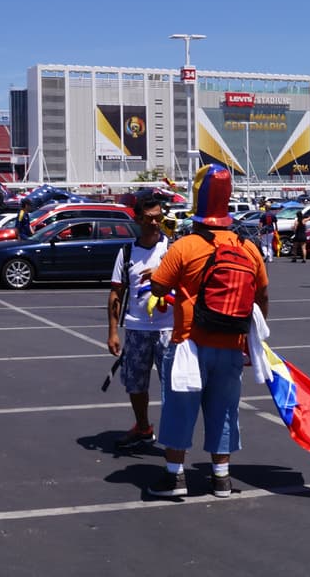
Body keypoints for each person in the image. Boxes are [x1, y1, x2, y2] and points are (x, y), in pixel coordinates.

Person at [146, 165, 269, 499]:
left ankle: (175, 478)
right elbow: (262, 297)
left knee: (179, 409)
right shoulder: (248, 247)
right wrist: (250, 342)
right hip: (232, 343)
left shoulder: (185, 247)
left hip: (189, 342)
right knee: (225, 411)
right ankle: (221, 479)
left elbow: (159, 285)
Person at [106, 193, 172, 450]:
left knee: (172, 387)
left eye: (159, 218)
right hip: (136, 328)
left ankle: (172, 437)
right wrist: (113, 332)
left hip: (169, 329)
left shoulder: (173, 249)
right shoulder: (126, 252)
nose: (155, 223)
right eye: (149, 218)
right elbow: (116, 293)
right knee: (135, 383)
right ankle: (143, 427)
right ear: (138, 219)